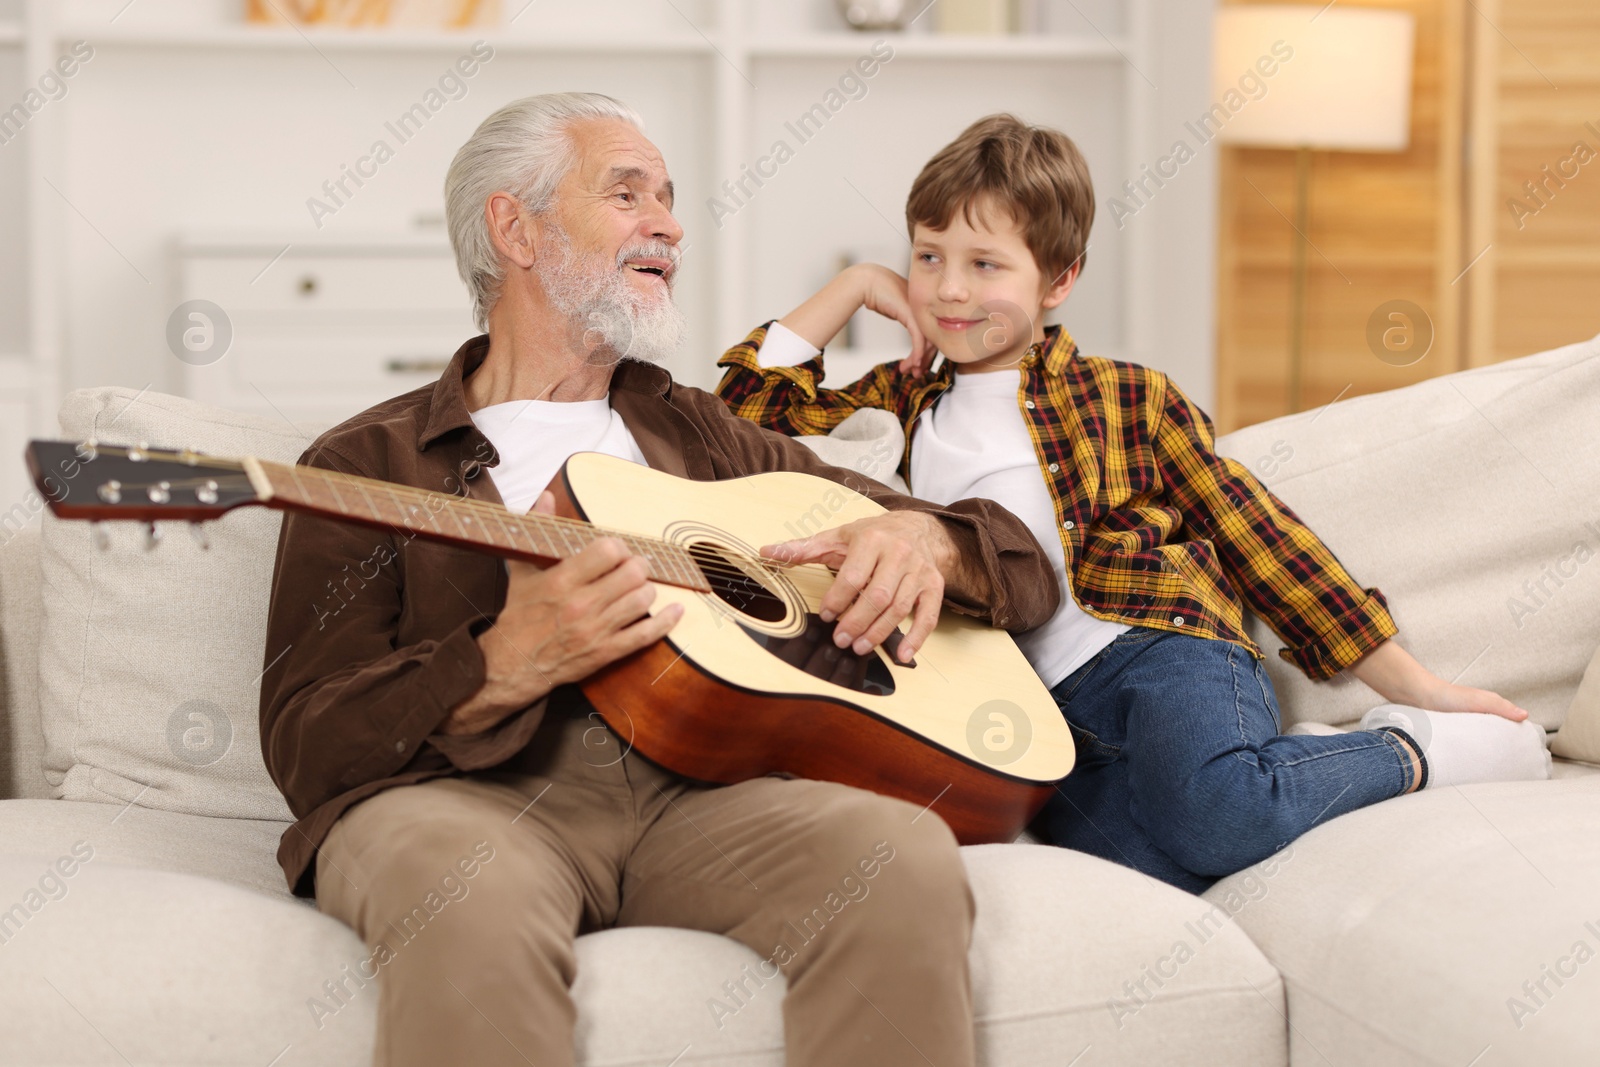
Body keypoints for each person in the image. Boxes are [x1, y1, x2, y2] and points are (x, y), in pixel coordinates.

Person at [258, 93, 1061, 1067]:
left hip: (709, 788)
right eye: (627, 193)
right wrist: (496, 662)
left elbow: (1017, 564)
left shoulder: (696, 431)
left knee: (901, 859)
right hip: (466, 795)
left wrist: (927, 543)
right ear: (514, 225)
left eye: (670, 200)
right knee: (458, 887)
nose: (670, 224)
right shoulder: (365, 461)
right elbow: (306, 741)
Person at [714, 112, 1552, 895]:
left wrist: (1417, 683)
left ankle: (1413, 751)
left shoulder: (1128, 398)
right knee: (1150, 870)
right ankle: (1277, 769)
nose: (949, 291)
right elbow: (740, 416)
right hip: (1036, 705)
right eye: (927, 257)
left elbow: (1257, 533)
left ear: (1060, 277)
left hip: (1162, 650)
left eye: (985, 264)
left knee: (1219, 818)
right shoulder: (898, 404)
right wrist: (855, 284)